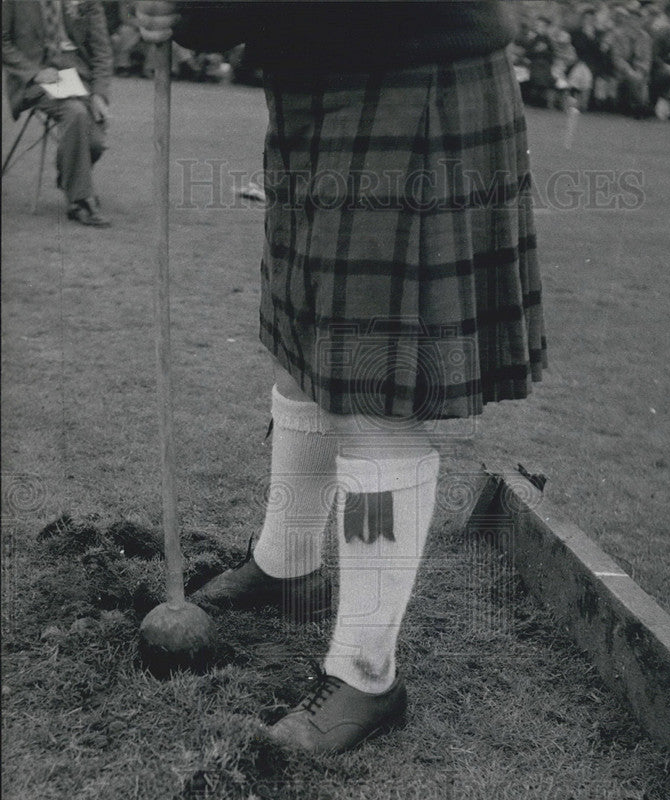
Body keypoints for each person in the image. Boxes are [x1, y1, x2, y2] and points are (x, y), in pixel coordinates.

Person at [135, 0, 547, 754]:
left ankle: (366, 670)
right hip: (312, 87)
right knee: (304, 350)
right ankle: (287, 564)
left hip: (409, 77)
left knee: (374, 387)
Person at [2, 0, 113, 226]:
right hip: (34, 78)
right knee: (76, 112)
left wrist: (99, 94)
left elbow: (102, 50)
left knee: (95, 142)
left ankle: (69, 173)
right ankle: (80, 202)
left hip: (79, 77)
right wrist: (35, 73)